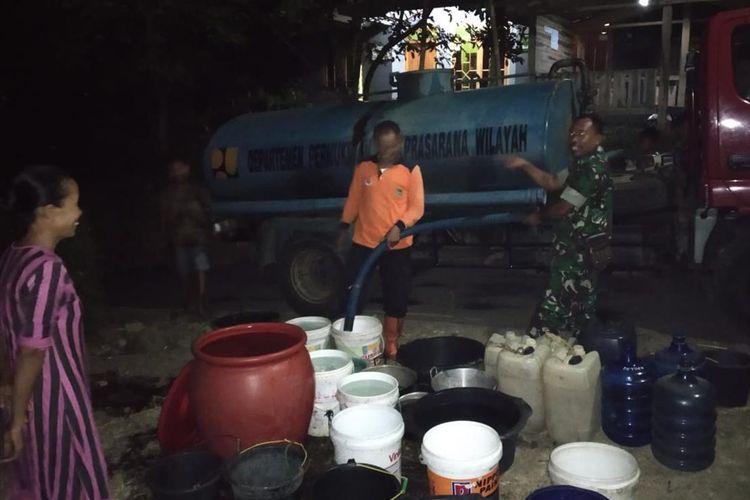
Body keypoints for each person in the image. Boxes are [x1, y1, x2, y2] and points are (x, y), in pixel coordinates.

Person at [0, 165, 110, 499]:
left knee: (41, 476)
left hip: (22, 392)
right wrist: (16, 422)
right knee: (76, 477)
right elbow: (33, 348)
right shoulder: (47, 269)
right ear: (49, 212)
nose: (79, 212)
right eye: (74, 204)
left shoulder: (11, 256)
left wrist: (7, 387)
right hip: (55, 396)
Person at [505, 114, 613, 338]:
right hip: (576, 247)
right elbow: (553, 181)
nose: (574, 139)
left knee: (555, 304)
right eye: (572, 133)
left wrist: (540, 216)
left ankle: (534, 348)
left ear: (598, 138)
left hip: (579, 250)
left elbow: (564, 207)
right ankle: (579, 351)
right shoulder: (580, 164)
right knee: (580, 305)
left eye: (581, 134)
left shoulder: (592, 169)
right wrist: (524, 164)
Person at [337, 120, 425, 359]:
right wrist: (344, 226)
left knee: (397, 293)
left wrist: (400, 226)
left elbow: (417, 208)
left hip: (397, 244)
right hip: (364, 242)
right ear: (376, 144)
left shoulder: (410, 169)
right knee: (351, 288)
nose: (391, 152)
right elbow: (353, 200)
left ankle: (392, 343)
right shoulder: (364, 168)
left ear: (401, 141)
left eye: (395, 146)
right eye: (386, 147)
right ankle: (349, 337)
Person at [160, 159, 212, 317]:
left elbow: (207, 212)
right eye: (174, 169)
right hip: (180, 239)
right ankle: (189, 304)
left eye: (180, 168)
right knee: (184, 273)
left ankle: (201, 304)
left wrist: (194, 212)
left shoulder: (196, 190)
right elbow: (165, 216)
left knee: (200, 271)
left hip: (198, 237)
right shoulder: (170, 193)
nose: (177, 172)